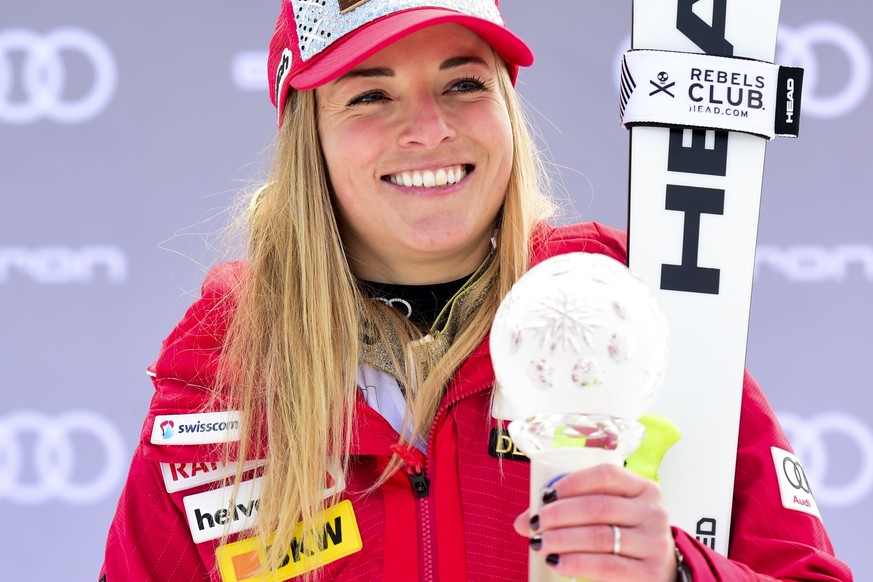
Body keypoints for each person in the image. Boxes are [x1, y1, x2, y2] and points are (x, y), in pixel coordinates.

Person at [100, 1, 853, 581]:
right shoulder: (224, 372)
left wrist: (679, 570)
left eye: (464, 84)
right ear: (310, 136)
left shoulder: (628, 314)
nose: (428, 128)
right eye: (370, 96)